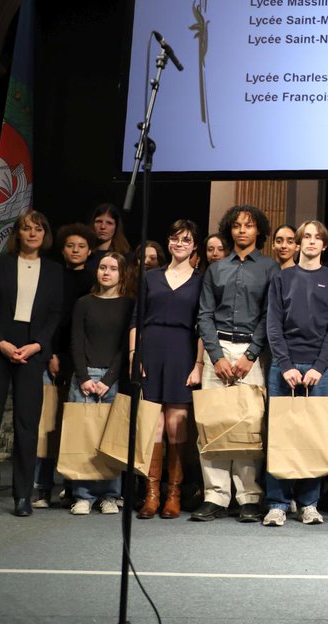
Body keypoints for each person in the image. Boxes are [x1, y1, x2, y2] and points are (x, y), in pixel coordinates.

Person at [0, 210, 64, 518]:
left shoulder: (53, 270)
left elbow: (54, 314)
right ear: (18, 235)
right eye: (26, 229)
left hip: (32, 349)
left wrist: (38, 345)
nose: (33, 233)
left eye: (38, 228)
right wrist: (0, 342)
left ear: (45, 234)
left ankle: (23, 494)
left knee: (26, 426)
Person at [194, 204, 275, 523]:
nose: (242, 230)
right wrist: (215, 356)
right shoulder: (216, 268)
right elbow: (204, 314)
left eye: (249, 225)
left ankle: (249, 497)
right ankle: (215, 495)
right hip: (218, 348)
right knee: (211, 424)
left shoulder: (270, 268)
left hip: (250, 353)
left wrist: (250, 355)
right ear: (229, 229)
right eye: (237, 225)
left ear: (259, 231)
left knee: (248, 424)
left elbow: (270, 315)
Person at [263, 219, 328, 527]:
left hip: (318, 370)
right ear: (298, 244)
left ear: (324, 245)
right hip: (284, 368)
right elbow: (273, 324)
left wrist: (319, 367)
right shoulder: (282, 278)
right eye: (305, 237)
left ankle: (309, 502)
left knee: (314, 436)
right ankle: (277, 503)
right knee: (281, 435)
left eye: (316, 237)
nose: (311, 241)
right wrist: (284, 365)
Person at [134, 220, 204, 520]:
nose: (179, 244)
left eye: (186, 240)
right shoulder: (150, 277)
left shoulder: (201, 280)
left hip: (182, 351)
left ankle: (174, 493)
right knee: (154, 425)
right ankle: (152, 493)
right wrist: (134, 356)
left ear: (194, 246)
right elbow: (136, 318)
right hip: (151, 349)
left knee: (177, 424)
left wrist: (198, 364)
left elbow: (203, 325)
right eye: (175, 238)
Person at [33, 221, 97, 508]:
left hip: (81, 360)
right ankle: (41, 488)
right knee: (46, 426)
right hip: (51, 356)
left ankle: (73, 487)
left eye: (81, 246)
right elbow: (45, 319)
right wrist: (50, 353)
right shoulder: (52, 276)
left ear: (90, 250)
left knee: (74, 426)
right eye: (70, 245)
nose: (75, 250)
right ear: (62, 248)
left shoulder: (95, 281)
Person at [68, 251, 134, 515]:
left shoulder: (128, 304)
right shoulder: (84, 303)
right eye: (102, 267)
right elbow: (76, 341)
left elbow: (124, 346)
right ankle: (82, 495)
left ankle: (109, 494)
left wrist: (108, 379)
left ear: (122, 273)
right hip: (83, 378)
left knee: (111, 440)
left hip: (111, 379)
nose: (106, 272)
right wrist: (84, 377)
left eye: (113, 268)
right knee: (83, 437)